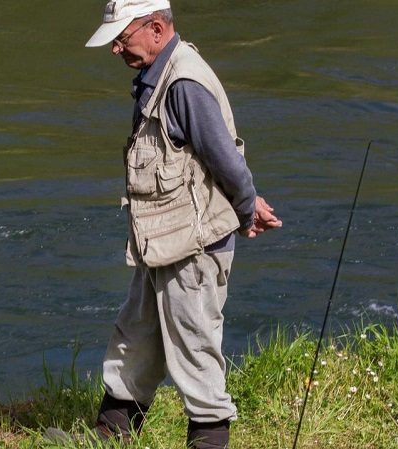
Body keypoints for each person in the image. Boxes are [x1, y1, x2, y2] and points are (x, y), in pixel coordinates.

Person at [83, 1, 282, 447]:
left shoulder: (183, 83)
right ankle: (109, 437)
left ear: (156, 28)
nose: (116, 48)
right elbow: (210, 161)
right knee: (134, 339)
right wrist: (248, 203)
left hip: (193, 252)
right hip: (163, 242)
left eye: (121, 37)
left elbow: (227, 161)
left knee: (195, 354)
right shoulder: (159, 74)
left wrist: (247, 209)